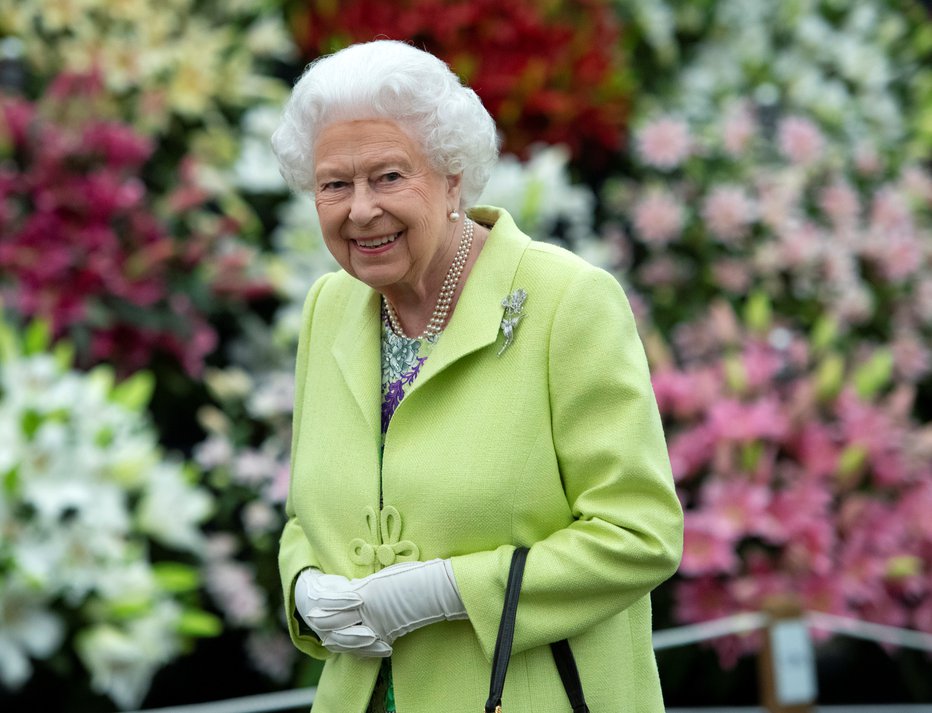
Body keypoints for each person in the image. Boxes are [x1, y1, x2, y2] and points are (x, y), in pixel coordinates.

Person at [272, 39, 683, 713]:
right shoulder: (329, 307)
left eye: (389, 177)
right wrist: (303, 584)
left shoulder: (566, 300)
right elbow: (308, 514)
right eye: (334, 185)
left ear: (453, 176)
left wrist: (450, 589)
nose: (361, 210)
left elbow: (640, 533)